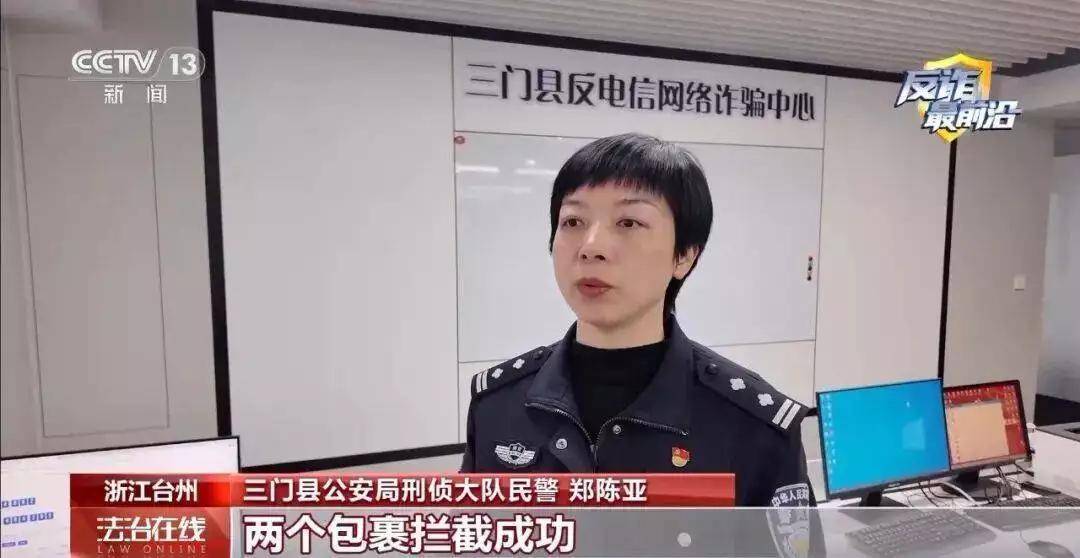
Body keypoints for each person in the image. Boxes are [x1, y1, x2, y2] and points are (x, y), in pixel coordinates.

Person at [459, 132, 815, 508]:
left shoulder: (754, 428)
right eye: (573, 221)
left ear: (684, 256)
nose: (591, 247)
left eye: (628, 222)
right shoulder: (497, 405)